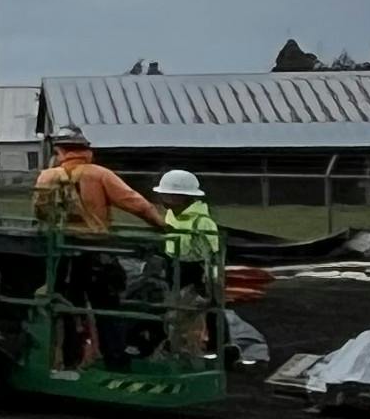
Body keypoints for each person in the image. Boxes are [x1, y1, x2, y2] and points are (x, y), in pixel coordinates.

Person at [29, 130, 164, 369]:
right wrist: (162, 226)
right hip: (95, 252)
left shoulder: (46, 177)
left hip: (61, 253)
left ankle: (69, 360)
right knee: (107, 309)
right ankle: (116, 361)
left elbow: (39, 212)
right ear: (86, 151)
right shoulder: (99, 174)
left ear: (60, 151)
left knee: (65, 308)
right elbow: (136, 203)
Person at [155, 167, 224, 360]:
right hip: (173, 266)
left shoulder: (202, 221)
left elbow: (212, 253)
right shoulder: (170, 215)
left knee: (207, 309)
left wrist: (210, 280)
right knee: (176, 310)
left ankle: (219, 347)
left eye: (168, 195)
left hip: (195, 269)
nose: (164, 199)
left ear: (181, 197)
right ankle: (177, 346)